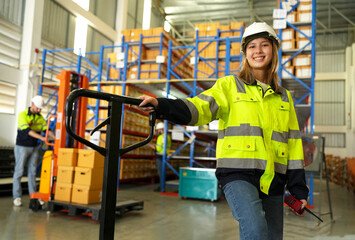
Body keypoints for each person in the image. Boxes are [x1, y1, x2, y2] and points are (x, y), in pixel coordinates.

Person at [139, 22, 309, 239]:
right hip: (238, 173)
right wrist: (162, 105)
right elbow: (199, 107)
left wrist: (298, 189)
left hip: (274, 178)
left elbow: (293, 145)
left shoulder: (284, 97)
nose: (258, 51)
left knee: (273, 236)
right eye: (251, 46)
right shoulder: (229, 86)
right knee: (256, 232)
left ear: (274, 50)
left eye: (264, 45)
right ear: (245, 54)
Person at [13, 95, 54, 207]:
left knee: (32, 172)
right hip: (22, 147)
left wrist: (55, 137)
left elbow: (47, 130)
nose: (39, 110)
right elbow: (27, 131)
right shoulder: (23, 115)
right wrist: (42, 138)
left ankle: (33, 196)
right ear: (32, 105)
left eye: (41, 109)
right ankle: (17, 197)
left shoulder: (40, 118)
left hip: (34, 148)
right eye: (38, 108)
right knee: (19, 172)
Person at [151, 122, 171, 191]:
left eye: (158, 130)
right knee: (163, 171)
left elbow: (159, 148)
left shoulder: (160, 137)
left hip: (160, 156)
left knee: (161, 172)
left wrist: (153, 146)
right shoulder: (168, 136)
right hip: (165, 155)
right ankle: (162, 186)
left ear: (160, 129)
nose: (158, 131)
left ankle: (162, 187)